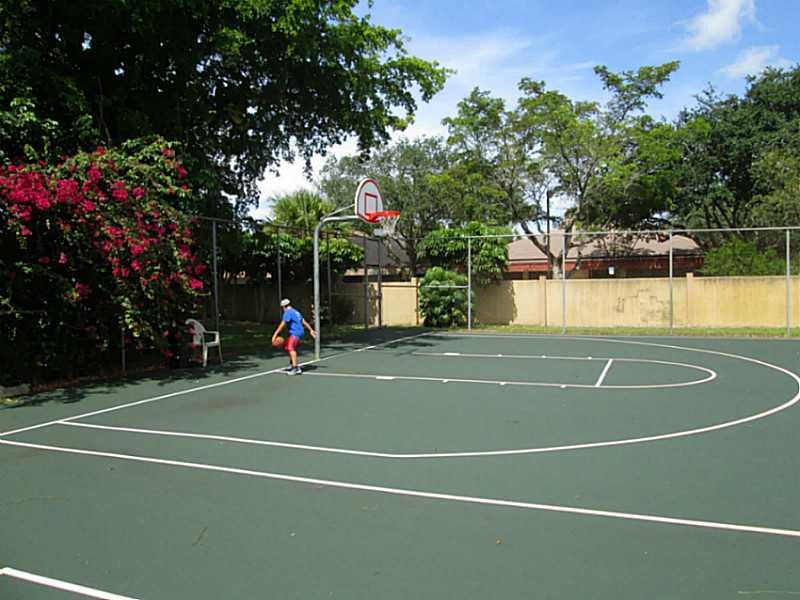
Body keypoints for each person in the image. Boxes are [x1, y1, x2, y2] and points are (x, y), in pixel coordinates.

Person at [271, 299, 316, 375]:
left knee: (290, 348)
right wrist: (311, 330)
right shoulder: (296, 312)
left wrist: (274, 334)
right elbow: (304, 322)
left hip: (296, 332)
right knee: (288, 347)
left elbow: (282, 325)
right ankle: (292, 364)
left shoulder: (288, 312)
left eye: (282, 307)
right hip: (300, 332)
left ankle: (296, 368)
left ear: (284, 307)